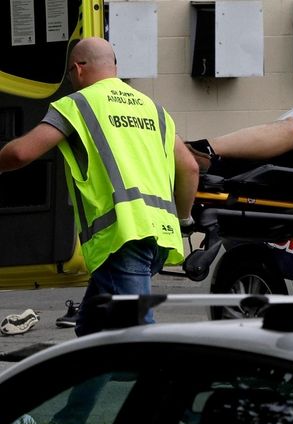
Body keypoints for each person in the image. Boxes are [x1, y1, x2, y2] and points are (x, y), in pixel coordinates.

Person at [0, 37, 199, 336]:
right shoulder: (153, 108)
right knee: (91, 334)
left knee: (138, 340)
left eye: (69, 73)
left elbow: (20, 153)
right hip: (159, 238)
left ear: (78, 69)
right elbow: (190, 167)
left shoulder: (78, 104)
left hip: (122, 240)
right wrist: (183, 220)